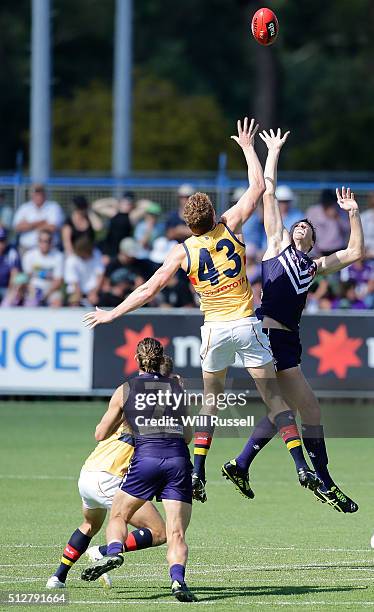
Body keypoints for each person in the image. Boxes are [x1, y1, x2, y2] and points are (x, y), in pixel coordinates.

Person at [83, 118, 320, 505]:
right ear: (211, 213)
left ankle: (198, 472)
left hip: (214, 331)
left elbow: (149, 287)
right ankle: (300, 466)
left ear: (187, 223)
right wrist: (247, 147)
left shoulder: (183, 250)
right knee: (275, 400)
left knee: (210, 401)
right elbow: (259, 188)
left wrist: (112, 313)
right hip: (246, 323)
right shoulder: (228, 226)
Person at [225, 128, 364, 513]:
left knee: (302, 410)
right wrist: (270, 151)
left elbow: (354, 251)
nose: (300, 226)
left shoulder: (313, 265)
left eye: (307, 226)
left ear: (313, 239)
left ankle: (242, 463)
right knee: (293, 409)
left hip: (288, 341)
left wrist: (353, 215)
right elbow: (268, 192)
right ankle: (320, 479)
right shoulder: (275, 246)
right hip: (267, 334)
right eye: (297, 224)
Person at [81, 338, 196, 603]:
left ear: (137, 359)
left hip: (145, 461)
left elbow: (100, 434)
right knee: (176, 532)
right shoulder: (178, 388)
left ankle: (112, 552)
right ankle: (178, 581)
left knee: (119, 515)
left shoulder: (126, 389)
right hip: (178, 461)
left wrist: (124, 417)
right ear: (161, 358)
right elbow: (188, 436)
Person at [46, 369, 168, 589]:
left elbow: (100, 431)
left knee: (90, 524)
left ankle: (58, 577)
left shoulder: (124, 413)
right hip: (109, 479)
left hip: (88, 474)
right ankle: (101, 552)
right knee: (159, 532)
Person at [13, 183, 64, 252]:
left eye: (40, 193)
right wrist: (42, 222)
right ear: (31, 194)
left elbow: (53, 227)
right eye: (36, 193)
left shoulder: (54, 207)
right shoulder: (24, 208)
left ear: (45, 194)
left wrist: (28, 225)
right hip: (27, 249)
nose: (38, 196)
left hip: (50, 249)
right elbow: (17, 227)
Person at [22, 229, 64, 307]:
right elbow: (26, 277)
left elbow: (58, 281)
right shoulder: (29, 255)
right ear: (38, 241)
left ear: (51, 242)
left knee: (57, 302)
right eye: (41, 241)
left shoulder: (58, 256)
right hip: (34, 288)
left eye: (47, 241)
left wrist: (46, 294)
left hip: (51, 289)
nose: (44, 244)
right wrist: (32, 290)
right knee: (30, 303)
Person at [307, 188, 350, 256]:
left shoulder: (340, 211)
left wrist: (337, 218)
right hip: (319, 251)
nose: (328, 205)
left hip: (338, 249)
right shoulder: (313, 211)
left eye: (331, 203)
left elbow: (347, 229)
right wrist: (315, 250)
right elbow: (308, 231)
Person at [64, 236, 104, 306]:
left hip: (94, 291)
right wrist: (79, 296)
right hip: (75, 291)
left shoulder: (96, 253)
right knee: (74, 300)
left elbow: (100, 275)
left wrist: (94, 293)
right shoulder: (71, 260)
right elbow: (74, 282)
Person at [0, 227, 21, 303]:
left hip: (7, 289)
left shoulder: (12, 252)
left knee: (14, 295)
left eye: (2, 240)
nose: (1, 244)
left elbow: (14, 275)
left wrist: (9, 292)